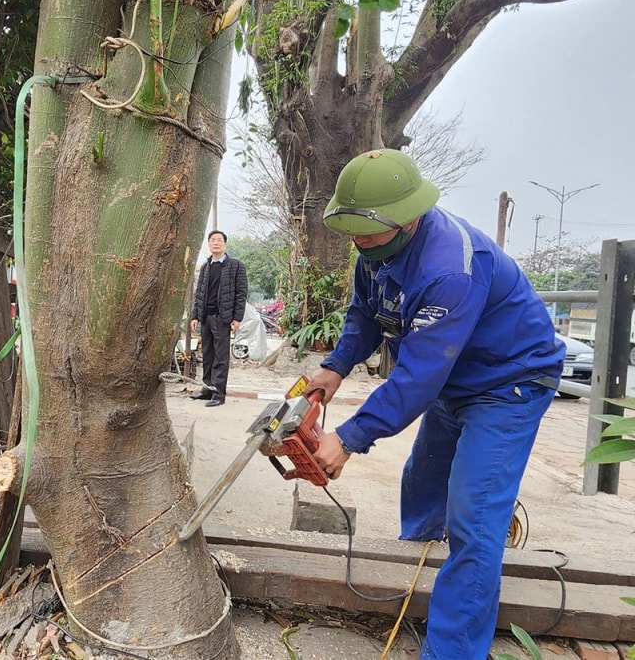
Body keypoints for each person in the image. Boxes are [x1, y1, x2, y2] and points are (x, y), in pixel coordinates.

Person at [305, 149, 565, 660]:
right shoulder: (377, 248)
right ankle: (417, 582)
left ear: (409, 218)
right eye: (352, 229)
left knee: (472, 518)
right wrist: (335, 368)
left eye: (367, 231)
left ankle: (452, 650)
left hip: (508, 384)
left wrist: (349, 439)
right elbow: (366, 314)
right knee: (423, 483)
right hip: (453, 377)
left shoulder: (450, 268)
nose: (357, 241)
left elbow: (418, 375)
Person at [188, 230, 248, 407]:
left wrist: (237, 318)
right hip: (206, 317)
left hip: (223, 318)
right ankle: (207, 390)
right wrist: (195, 316)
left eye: (219, 240)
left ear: (225, 244)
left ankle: (218, 395)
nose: (216, 243)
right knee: (207, 354)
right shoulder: (206, 267)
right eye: (212, 240)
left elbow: (241, 294)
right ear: (209, 244)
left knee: (221, 357)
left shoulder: (236, 266)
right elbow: (199, 294)